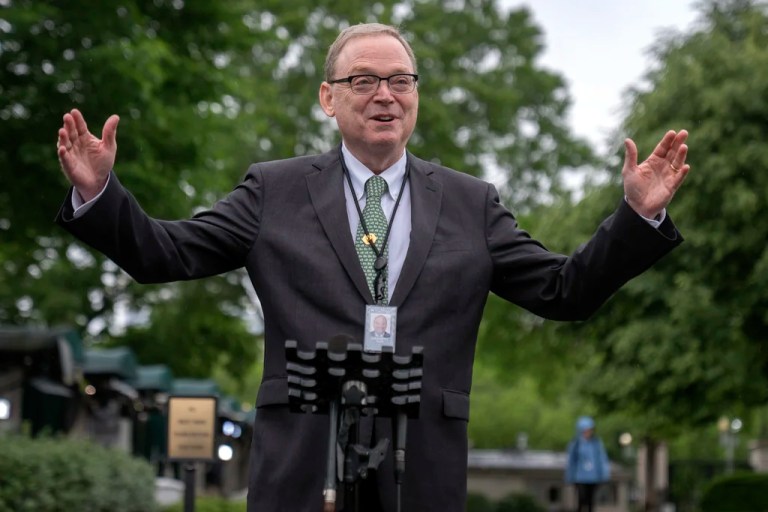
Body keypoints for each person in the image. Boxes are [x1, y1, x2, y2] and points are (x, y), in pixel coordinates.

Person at [55, 22, 689, 512]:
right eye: (363, 80)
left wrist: (635, 217)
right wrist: (99, 196)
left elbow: (564, 289)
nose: (384, 94)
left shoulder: (473, 203)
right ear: (329, 98)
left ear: (416, 96)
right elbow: (166, 253)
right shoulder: (272, 191)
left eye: (400, 80)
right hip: (303, 463)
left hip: (424, 465)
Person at [565, 416, 611, 512]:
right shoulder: (576, 444)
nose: (588, 432)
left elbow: (602, 459)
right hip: (580, 477)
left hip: (593, 477)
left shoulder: (596, 443)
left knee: (591, 500)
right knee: (581, 499)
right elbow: (571, 461)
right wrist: (569, 476)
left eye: (590, 430)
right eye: (586, 430)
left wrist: (604, 474)